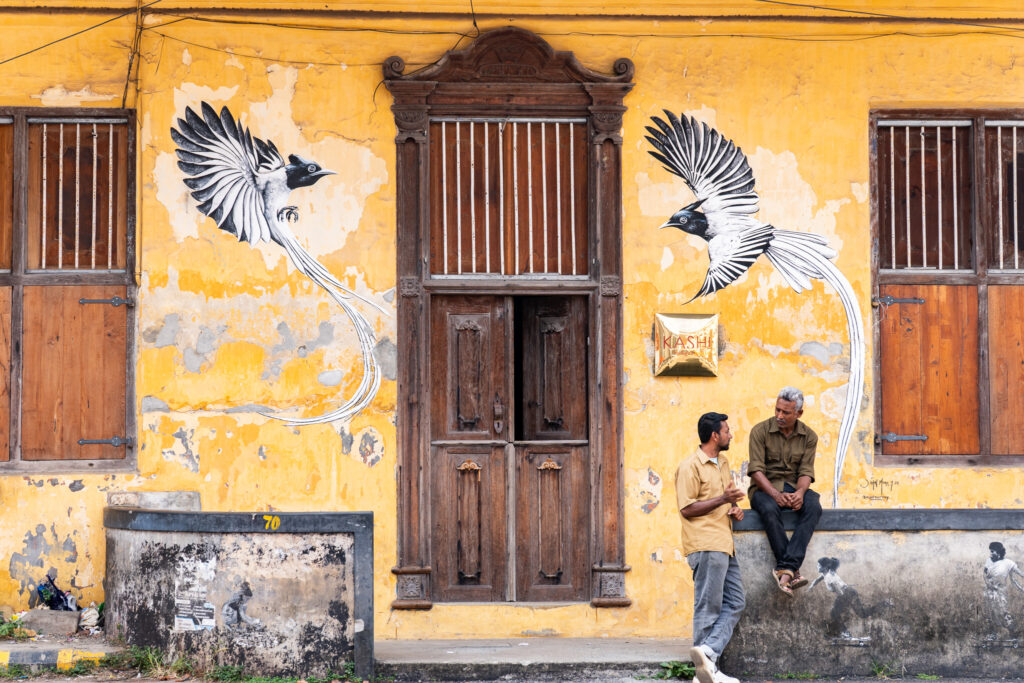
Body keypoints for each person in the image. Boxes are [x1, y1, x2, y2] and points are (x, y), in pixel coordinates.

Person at [676, 411, 746, 683]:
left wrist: (734, 508)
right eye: (727, 430)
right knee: (708, 608)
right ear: (715, 435)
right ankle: (703, 674)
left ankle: (708, 655)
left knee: (736, 601)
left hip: (725, 543)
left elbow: (724, 500)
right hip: (705, 544)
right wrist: (722, 500)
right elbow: (687, 508)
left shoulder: (723, 462)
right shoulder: (690, 466)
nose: (731, 434)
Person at [748, 386, 823, 596]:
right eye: (777, 410)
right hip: (764, 488)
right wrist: (775, 494)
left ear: (798, 413)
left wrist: (799, 494)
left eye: (786, 412)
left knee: (813, 506)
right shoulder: (760, 431)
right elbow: (755, 470)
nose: (779, 415)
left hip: (793, 486)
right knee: (769, 508)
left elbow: (806, 470)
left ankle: (785, 570)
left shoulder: (809, 436)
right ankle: (791, 569)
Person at [983, 541, 1024, 638]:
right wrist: (988, 583)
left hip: (1000, 592)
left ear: (998, 552)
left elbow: (1020, 573)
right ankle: (993, 634)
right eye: (990, 551)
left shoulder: (1008, 563)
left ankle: (1013, 634)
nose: (991, 553)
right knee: (990, 613)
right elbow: (984, 574)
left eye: (993, 551)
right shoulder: (988, 561)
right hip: (989, 592)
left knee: (1003, 612)